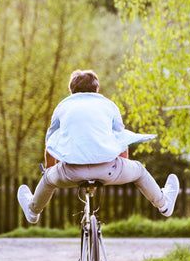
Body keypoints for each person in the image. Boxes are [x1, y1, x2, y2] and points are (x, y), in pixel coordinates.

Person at [17, 69, 179, 224]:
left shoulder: (63, 107)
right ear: (96, 88)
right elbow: (120, 138)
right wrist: (120, 169)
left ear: (71, 91)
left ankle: (33, 212)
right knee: (139, 170)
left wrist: (49, 170)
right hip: (108, 170)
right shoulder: (108, 105)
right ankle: (163, 205)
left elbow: (51, 142)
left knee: (48, 180)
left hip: (71, 172)